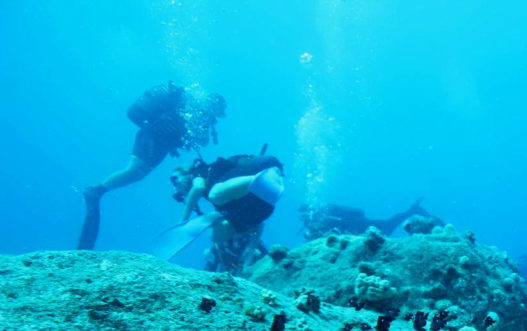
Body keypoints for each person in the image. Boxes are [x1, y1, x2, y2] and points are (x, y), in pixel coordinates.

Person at [80, 82, 226, 250]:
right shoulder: (190, 106)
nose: (217, 116)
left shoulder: (197, 113)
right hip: (152, 136)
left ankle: (98, 191)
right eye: (218, 111)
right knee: (134, 170)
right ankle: (96, 191)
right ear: (212, 103)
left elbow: (194, 140)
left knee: (138, 173)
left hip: (161, 142)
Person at [155, 153, 284, 273]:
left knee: (214, 195)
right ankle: (264, 180)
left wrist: (183, 220)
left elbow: (198, 188)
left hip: (266, 172)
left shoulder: (198, 173)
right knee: (216, 234)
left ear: (186, 174)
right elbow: (259, 225)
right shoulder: (228, 201)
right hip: (265, 204)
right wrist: (249, 256)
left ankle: (263, 177)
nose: (175, 187)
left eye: (174, 179)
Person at [299, 200, 444, 240]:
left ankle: (413, 210)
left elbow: (335, 231)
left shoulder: (322, 221)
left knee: (387, 227)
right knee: (388, 225)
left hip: (359, 227)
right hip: (357, 228)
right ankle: (412, 210)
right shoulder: (320, 220)